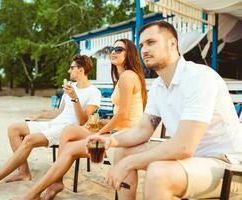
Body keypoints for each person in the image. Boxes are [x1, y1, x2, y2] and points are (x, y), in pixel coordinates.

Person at [88, 21, 242, 200]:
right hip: (192, 160)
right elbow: (142, 130)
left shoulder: (199, 77)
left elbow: (184, 147)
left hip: (227, 164)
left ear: (172, 43)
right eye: (141, 45)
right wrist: (110, 141)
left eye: (151, 42)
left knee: (158, 173)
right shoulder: (159, 87)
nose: (144, 49)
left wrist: (129, 163)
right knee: (123, 151)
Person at [15, 38, 147, 200]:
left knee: (70, 137)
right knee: (69, 130)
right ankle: (53, 183)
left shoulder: (127, 76)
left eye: (119, 49)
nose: (114, 52)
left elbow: (123, 116)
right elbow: (123, 116)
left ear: (130, 54)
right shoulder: (123, 77)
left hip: (124, 138)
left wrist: (101, 131)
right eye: (113, 49)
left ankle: (44, 188)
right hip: (120, 133)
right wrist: (100, 123)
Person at [0, 54, 102, 191]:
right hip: (55, 123)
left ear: (81, 69)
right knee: (14, 128)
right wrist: (40, 115)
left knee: (29, 139)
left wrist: (75, 98)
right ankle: (24, 172)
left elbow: (84, 121)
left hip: (68, 130)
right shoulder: (70, 87)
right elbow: (59, 112)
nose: (69, 70)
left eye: (71, 67)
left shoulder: (94, 92)